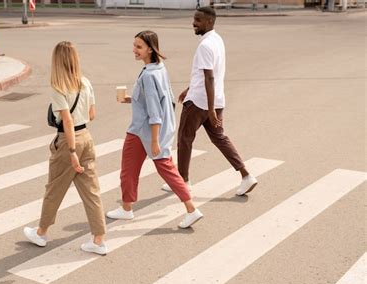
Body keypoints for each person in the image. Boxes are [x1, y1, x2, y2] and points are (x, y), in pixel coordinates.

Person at [106, 30, 203, 229]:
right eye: (134, 45)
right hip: (151, 130)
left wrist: (155, 140)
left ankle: (191, 209)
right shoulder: (159, 68)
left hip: (144, 131)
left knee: (142, 170)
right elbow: (161, 99)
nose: (134, 50)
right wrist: (130, 99)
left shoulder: (149, 76)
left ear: (150, 49)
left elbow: (154, 110)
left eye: (139, 47)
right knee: (146, 169)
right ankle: (126, 208)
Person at [162, 6, 257, 196]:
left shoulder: (205, 46)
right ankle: (246, 176)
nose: (193, 23)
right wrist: (189, 89)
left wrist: (210, 109)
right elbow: (207, 74)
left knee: (184, 139)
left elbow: (209, 78)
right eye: (194, 19)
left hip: (200, 102)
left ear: (209, 22)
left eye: (198, 20)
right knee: (219, 138)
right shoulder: (217, 39)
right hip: (214, 99)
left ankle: (183, 181)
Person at [23, 41, 107, 255]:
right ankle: (99, 240)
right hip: (86, 137)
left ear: (56, 61)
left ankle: (41, 233)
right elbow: (92, 115)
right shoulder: (85, 83)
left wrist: (71, 152)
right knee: (91, 191)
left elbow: (67, 122)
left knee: (54, 189)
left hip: (69, 142)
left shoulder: (58, 87)